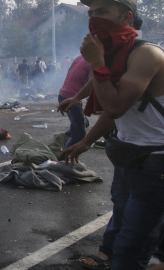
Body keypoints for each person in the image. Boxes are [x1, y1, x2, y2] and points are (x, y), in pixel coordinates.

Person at [60, 0, 164, 269]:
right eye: (91, 13)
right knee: (122, 208)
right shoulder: (116, 55)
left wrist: (96, 60)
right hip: (129, 153)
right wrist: (85, 139)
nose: (94, 18)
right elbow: (102, 88)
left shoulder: (147, 54)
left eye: (103, 11)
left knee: (130, 249)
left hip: (155, 160)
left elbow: (114, 106)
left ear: (127, 17)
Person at [57, 55, 92, 149]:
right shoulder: (93, 61)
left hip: (65, 95)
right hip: (70, 97)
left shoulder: (80, 57)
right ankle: (63, 159)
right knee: (79, 133)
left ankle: (62, 140)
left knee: (84, 123)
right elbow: (92, 83)